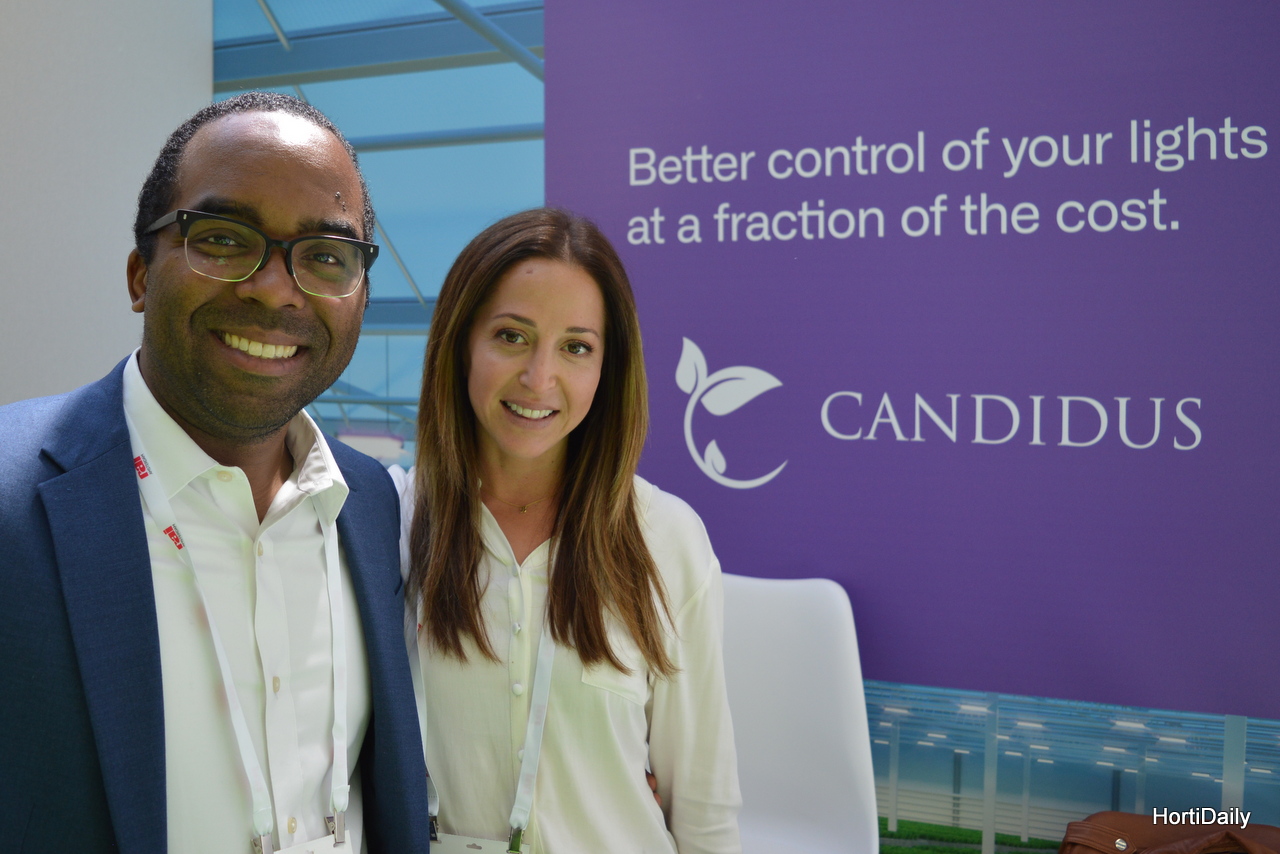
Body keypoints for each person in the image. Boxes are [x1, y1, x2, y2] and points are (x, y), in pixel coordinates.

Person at [0, 92, 431, 853]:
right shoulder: (15, 497)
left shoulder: (368, 506)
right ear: (140, 274)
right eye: (225, 240)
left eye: (325, 256)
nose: (276, 288)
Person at [400, 208, 742, 853]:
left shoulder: (666, 538)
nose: (539, 378)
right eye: (511, 336)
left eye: (576, 347)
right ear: (461, 343)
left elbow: (703, 805)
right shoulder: (392, 522)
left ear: (608, 368)